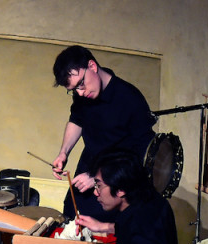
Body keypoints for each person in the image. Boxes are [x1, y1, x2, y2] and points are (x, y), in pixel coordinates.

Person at [51, 45, 156, 223]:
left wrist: (98, 178)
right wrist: (63, 153)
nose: (80, 93)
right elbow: (77, 120)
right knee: (70, 216)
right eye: (73, 90)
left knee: (99, 235)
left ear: (92, 66)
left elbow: (142, 156)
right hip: (87, 171)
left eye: (80, 85)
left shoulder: (130, 98)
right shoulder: (83, 95)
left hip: (116, 186)